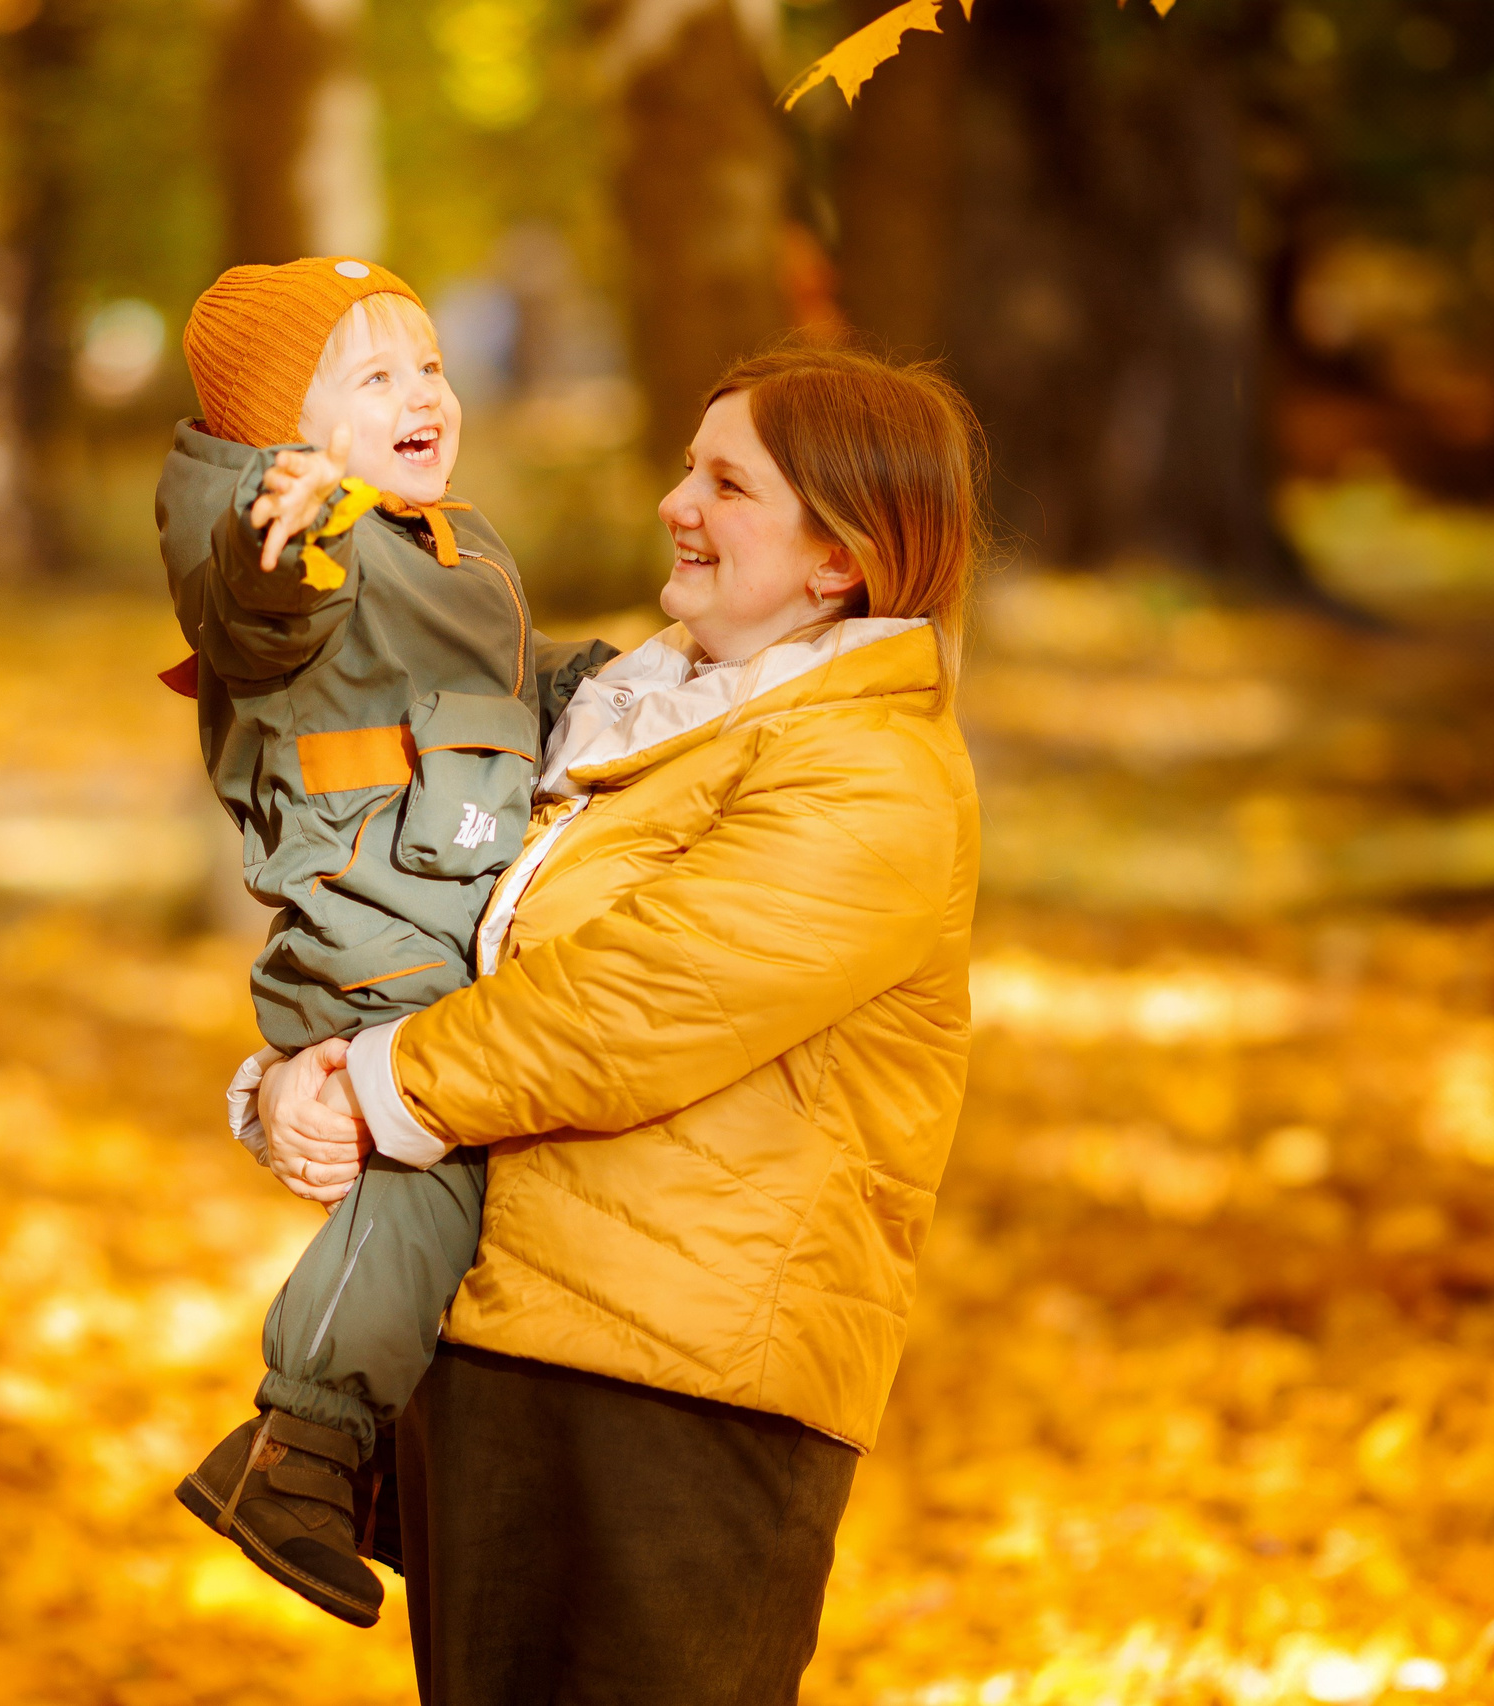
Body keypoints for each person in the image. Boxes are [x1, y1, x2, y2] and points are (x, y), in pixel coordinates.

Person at [261, 343, 986, 1702]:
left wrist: (371, 1083)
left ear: (838, 560)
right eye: (686, 466)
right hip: (503, 1344)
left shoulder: (870, 772)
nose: (674, 501)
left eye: (728, 482)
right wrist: (298, 1065)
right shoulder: (640, 724)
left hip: (685, 1388)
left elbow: (631, 1003)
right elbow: (442, 907)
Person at [156, 255, 613, 1626]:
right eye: (376, 376)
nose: (425, 393)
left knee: (473, 1189)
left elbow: (494, 695)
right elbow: (254, 612)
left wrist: (598, 683)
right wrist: (278, 535)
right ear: (284, 438)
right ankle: (299, 1444)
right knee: (434, 1151)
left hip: (437, 916)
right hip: (370, 932)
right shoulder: (303, 540)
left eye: (430, 365)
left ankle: (378, 1454)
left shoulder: (456, 548)